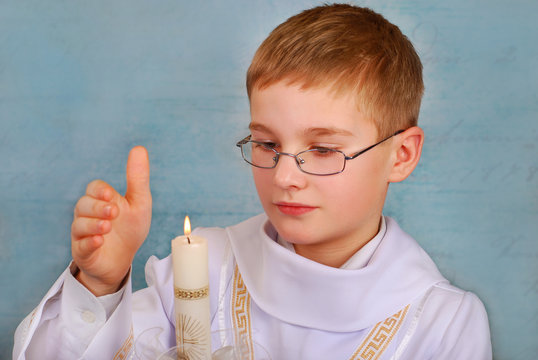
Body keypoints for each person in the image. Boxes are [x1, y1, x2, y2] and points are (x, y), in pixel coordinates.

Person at [13, 4, 492, 359]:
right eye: (266, 145)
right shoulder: (203, 269)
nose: (285, 177)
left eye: (322, 150)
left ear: (401, 155)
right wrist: (99, 283)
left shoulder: (443, 322)